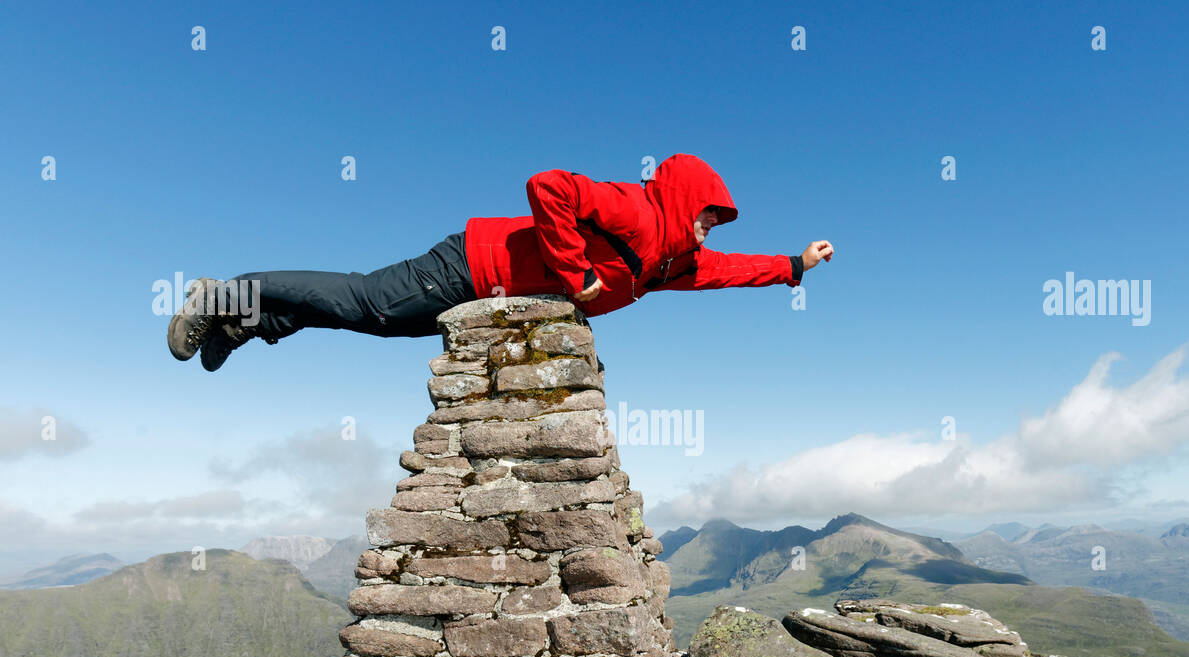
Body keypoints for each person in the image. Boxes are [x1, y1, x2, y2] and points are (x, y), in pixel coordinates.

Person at [167, 153, 834, 371]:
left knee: (367, 322)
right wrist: (578, 276)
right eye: (711, 211)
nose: (711, 225)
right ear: (688, 193)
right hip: (470, 265)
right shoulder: (635, 211)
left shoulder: (670, 262)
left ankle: (251, 324)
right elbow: (548, 187)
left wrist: (793, 267)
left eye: (718, 221)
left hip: (484, 295)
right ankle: (222, 295)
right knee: (367, 299)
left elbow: (729, 271)